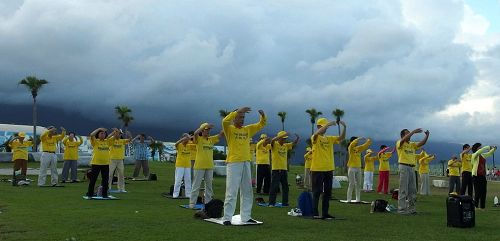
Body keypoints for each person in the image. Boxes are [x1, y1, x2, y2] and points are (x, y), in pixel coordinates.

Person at [221, 107, 266, 225]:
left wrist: (262, 116)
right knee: (232, 190)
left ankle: (246, 217)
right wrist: (237, 111)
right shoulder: (229, 129)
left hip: (246, 161)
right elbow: (225, 121)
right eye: (240, 117)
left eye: (243, 117)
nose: (242, 119)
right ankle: (227, 218)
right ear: (235, 118)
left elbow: (261, 125)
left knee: (247, 190)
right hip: (234, 162)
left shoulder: (247, 129)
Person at [310, 118, 346, 219]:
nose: (325, 128)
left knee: (327, 193)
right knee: (317, 192)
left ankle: (325, 213)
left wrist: (344, 127)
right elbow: (317, 134)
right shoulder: (315, 137)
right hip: (317, 169)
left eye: (325, 127)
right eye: (322, 126)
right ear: (318, 127)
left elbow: (341, 138)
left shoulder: (329, 138)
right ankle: (315, 212)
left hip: (329, 169)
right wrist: (328, 124)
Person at [396, 128, 429, 215]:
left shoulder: (412, 144)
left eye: (409, 133)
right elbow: (403, 140)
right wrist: (414, 132)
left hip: (412, 168)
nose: (410, 134)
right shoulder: (400, 143)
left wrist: (427, 136)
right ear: (403, 135)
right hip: (403, 166)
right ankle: (401, 209)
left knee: (412, 190)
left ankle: (412, 209)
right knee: (403, 189)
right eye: (407, 133)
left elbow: (422, 143)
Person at [189, 123, 223, 208]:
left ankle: (208, 203)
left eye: (209, 130)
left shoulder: (211, 139)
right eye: (206, 130)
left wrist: (228, 122)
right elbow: (195, 133)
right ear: (202, 131)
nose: (208, 132)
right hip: (199, 166)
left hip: (209, 166)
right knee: (196, 185)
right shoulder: (198, 139)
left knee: (209, 186)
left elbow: (221, 134)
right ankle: (192, 203)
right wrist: (203, 126)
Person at [268, 131, 299, 207]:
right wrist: (281, 135)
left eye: (285, 139)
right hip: (276, 169)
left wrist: (297, 139)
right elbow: (272, 140)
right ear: (279, 138)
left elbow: (293, 144)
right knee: (274, 187)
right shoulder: (274, 144)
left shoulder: (286, 145)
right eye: (283, 138)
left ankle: (285, 203)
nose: (284, 140)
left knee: (285, 187)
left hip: (284, 170)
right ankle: (271, 203)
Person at [85, 128, 118, 198]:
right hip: (96, 163)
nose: (103, 134)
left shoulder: (107, 141)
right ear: (98, 135)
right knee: (93, 179)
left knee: (105, 180)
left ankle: (104, 194)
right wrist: (99, 129)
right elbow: (91, 135)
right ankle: (90, 193)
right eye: (101, 133)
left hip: (105, 164)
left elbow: (115, 136)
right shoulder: (95, 141)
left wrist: (116, 132)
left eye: (104, 133)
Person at [471, 143, 497, 210]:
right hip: (476, 176)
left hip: (483, 176)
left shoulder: (482, 155)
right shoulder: (474, 155)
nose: (481, 148)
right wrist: (488, 147)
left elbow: (489, 153)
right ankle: (475, 206)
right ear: (476, 148)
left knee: (483, 191)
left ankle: (482, 207)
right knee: (477, 191)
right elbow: (480, 151)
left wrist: (494, 149)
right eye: (480, 147)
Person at [346, 137, 372, 202]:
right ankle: (349, 199)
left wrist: (368, 141)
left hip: (358, 168)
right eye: (356, 141)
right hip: (351, 168)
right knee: (351, 183)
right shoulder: (350, 148)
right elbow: (352, 144)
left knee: (358, 184)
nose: (357, 143)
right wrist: (357, 139)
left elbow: (364, 146)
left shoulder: (358, 148)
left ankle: (358, 199)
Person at [172, 133, 193, 198]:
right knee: (178, 180)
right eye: (185, 138)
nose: (186, 140)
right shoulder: (179, 145)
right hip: (180, 165)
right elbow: (176, 144)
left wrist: (189, 137)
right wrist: (182, 139)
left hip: (187, 165)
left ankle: (188, 194)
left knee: (188, 180)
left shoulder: (190, 145)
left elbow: (195, 140)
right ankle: (175, 194)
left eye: (187, 138)